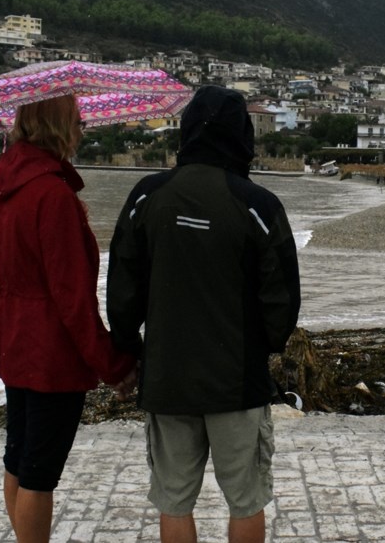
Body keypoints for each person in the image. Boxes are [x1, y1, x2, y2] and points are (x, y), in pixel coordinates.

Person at [107, 85, 301, 543]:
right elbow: (282, 301)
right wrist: (264, 346)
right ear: (243, 136)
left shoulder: (146, 195)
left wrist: (128, 350)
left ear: (188, 130)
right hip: (237, 378)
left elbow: (122, 289)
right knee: (246, 498)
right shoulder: (259, 204)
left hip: (167, 375)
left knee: (174, 499)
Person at [0, 94, 138, 543]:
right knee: (39, 472)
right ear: (57, 125)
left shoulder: (3, 185)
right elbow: (71, 299)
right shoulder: (52, 194)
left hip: (13, 335)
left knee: (19, 457)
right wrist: (113, 364)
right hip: (49, 350)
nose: (83, 128)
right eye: (78, 120)